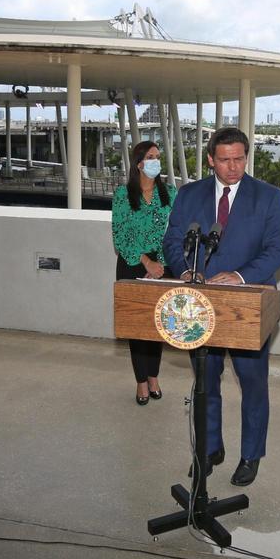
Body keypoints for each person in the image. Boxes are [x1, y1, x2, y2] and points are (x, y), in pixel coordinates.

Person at [162, 127, 280, 487]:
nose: (233, 167)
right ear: (210, 160)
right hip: (198, 305)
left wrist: (238, 275)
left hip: (247, 307)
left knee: (252, 384)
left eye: (239, 158)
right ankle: (209, 447)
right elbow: (173, 240)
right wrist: (184, 269)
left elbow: (278, 250)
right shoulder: (188, 195)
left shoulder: (269, 197)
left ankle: (250, 455)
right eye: (225, 160)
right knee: (206, 380)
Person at [112, 140, 177, 405]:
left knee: (157, 325)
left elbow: (174, 232)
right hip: (132, 264)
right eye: (151, 157)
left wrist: (159, 264)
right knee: (137, 327)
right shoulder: (123, 195)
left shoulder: (170, 193)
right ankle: (141, 381)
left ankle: (154, 376)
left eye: (158, 157)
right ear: (139, 163)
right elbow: (120, 236)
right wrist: (146, 262)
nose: (156, 161)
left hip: (163, 266)